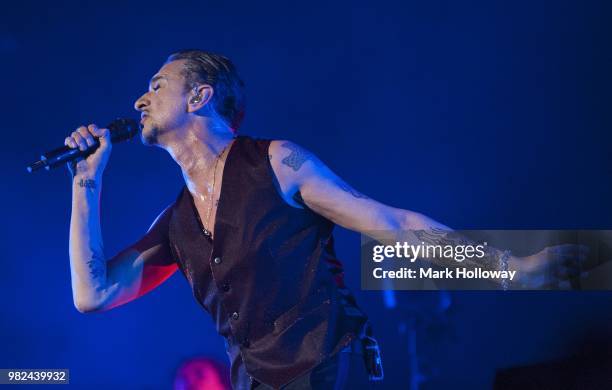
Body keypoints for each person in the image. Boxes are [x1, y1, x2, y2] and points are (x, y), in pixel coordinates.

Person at [64, 50, 579, 389]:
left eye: (157, 84)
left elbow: (391, 224)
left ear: (199, 96)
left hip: (327, 364)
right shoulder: (174, 223)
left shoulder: (276, 162)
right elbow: (94, 294)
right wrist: (86, 182)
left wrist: (512, 270)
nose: (139, 99)